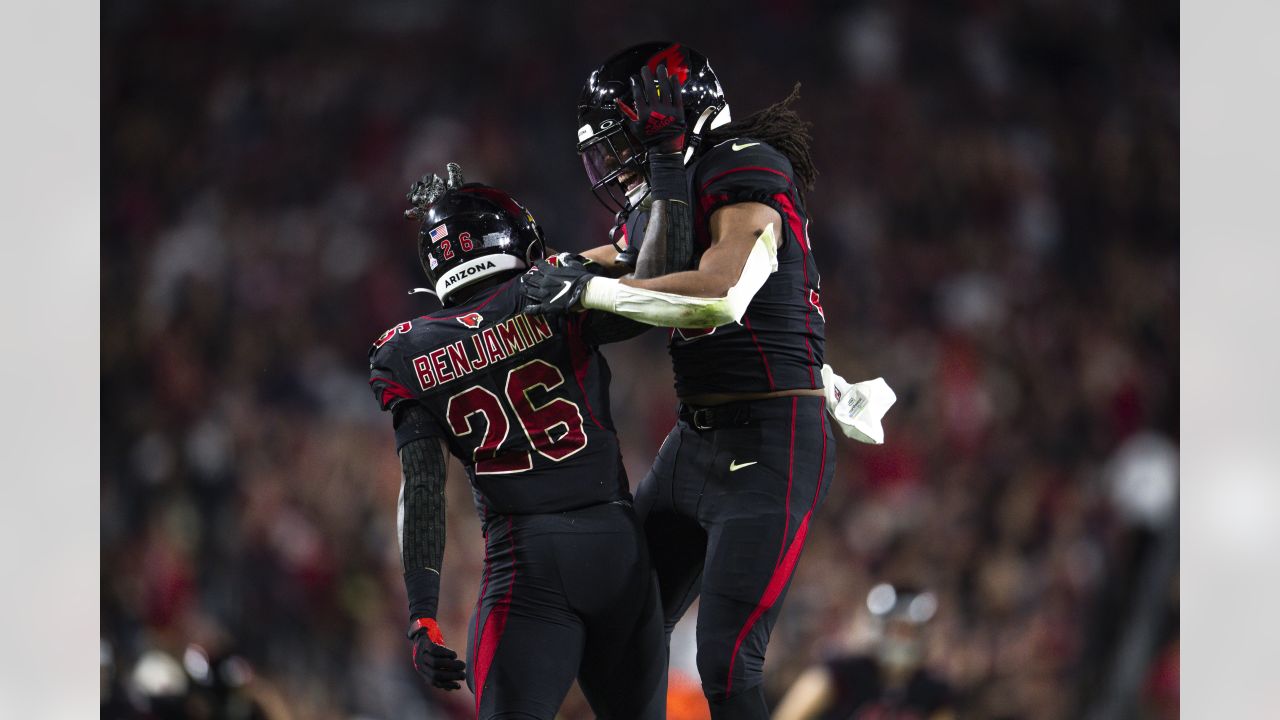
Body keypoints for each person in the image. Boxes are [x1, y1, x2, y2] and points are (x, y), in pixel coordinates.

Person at [523, 42, 839, 719]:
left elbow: (720, 296)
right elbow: (622, 257)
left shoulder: (745, 166)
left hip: (774, 438)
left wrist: (585, 294)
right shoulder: (679, 184)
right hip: (696, 442)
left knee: (727, 664)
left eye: (622, 143)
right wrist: (506, 287)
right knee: (615, 632)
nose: (613, 165)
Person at [367, 163, 677, 719]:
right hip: (615, 550)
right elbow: (654, 291)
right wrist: (652, 190)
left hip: (525, 569)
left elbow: (423, 490)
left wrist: (423, 612)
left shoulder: (406, 352)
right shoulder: (553, 287)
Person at [773, 584, 955, 720]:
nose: (902, 639)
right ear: (880, 629)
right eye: (896, 629)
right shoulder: (841, 673)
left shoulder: (934, 691)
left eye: (909, 631)